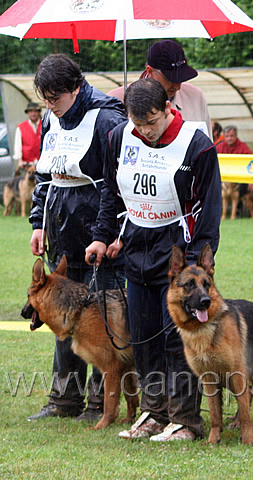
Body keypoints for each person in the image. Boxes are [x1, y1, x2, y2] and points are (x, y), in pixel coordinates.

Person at [85, 78, 222, 441]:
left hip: (178, 252)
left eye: (151, 121)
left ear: (168, 109)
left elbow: (209, 211)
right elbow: (111, 194)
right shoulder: (119, 137)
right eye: (137, 123)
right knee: (143, 337)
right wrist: (102, 236)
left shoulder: (197, 146)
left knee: (177, 340)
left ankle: (186, 420)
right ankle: (153, 412)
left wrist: (196, 267)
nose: (144, 130)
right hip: (136, 249)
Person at [28, 54, 127, 422]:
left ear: (76, 87)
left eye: (56, 98)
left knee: (100, 317)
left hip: (97, 227)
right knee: (60, 311)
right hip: (59, 226)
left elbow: (116, 186)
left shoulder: (107, 118)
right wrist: (38, 223)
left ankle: (101, 402)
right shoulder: (49, 118)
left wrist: (103, 234)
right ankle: (63, 399)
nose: (50, 106)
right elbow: (44, 175)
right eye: (45, 99)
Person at [108, 40, 212, 140]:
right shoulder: (116, 100)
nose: (177, 87)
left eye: (181, 78)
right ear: (150, 71)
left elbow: (207, 147)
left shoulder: (196, 97)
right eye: (170, 79)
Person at [216, 125, 253, 219]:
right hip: (223, 180)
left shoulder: (243, 147)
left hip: (241, 180)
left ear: (236, 136)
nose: (229, 139)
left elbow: (252, 164)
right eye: (227, 136)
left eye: (231, 136)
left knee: (249, 191)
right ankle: (220, 215)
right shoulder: (219, 147)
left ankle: (251, 214)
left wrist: (252, 180)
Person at [13, 102, 42, 171]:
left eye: (35, 111)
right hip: (27, 164)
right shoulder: (21, 127)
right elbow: (18, 145)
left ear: (38, 112)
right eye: (31, 111)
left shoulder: (44, 125)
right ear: (28, 113)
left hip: (42, 162)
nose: (33, 114)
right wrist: (20, 161)